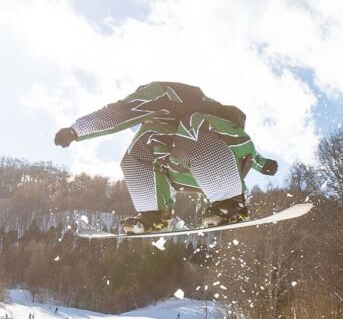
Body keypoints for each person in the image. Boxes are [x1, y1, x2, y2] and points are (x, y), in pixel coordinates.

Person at [55, 81, 277, 234]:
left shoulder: (162, 95)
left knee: (193, 124)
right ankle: (155, 215)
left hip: (225, 160)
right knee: (144, 143)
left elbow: (121, 113)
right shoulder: (166, 122)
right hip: (191, 168)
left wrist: (76, 130)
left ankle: (231, 203)